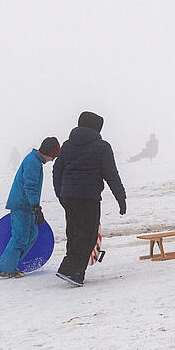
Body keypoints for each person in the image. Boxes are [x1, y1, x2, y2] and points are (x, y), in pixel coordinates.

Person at [53, 111, 126, 287]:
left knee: (74, 233)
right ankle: (72, 271)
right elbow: (111, 174)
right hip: (88, 197)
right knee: (88, 235)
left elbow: (57, 171)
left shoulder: (67, 145)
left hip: (69, 196)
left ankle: (74, 270)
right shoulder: (102, 146)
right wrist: (121, 198)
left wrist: (61, 194)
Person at [0, 137, 61, 278]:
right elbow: (29, 186)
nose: (53, 160)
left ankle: (8, 259)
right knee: (20, 238)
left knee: (32, 235)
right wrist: (36, 207)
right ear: (49, 153)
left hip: (26, 205)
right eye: (53, 156)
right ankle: (6, 268)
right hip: (22, 204)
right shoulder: (33, 162)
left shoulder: (35, 160)